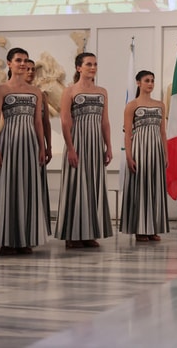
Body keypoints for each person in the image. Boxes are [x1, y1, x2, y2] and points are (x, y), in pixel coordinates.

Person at [0, 47, 48, 255]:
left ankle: (25, 238)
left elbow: (38, 122)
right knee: (8, 188)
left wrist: (42, 146)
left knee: (27, 189)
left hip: (30, 144)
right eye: (18, 60)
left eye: (25, 60)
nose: (22, 64)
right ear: (9, 63)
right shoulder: (1, 90)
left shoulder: (36, 91)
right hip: (9, 142)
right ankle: (6, 239)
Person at [55, 53, 113, 248]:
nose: (93, 67)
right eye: (89, 64)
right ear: (79, 67)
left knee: (92, 186)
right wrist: (70, 148)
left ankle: (89, 233)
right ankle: (72, 234)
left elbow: (105, 121)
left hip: (96, 144)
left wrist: (109, 146)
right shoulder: (69, 91)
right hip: (77, 142)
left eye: (95, 64)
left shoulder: (102, 91)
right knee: (74, 185)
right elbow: (65, 121)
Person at [120, 70, 169, 242]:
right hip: (139, 149)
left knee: (155, 187)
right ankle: (140, 228)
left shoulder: (160, 105)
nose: (150, 83)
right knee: (141, 187)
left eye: (152, 80)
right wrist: (128, 155)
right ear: (138, 83)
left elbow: (163, 132)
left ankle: (152, 227)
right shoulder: (132, 105)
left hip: (156, 150)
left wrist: (166, 154)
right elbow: (127, 133)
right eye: (147, 80)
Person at [25, 58, 53, 234]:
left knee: (34, 187)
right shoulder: (5, 90)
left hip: (36, 145)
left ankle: (33, 230)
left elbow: (45, 122)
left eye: (32, 69)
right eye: (27, 68)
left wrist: (48, 146)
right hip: (13, 142)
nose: (30, 72)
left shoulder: (40, 94)